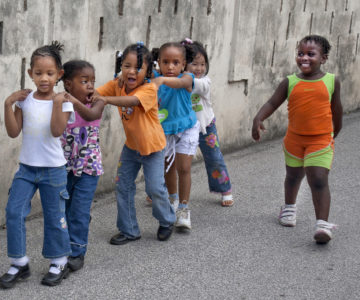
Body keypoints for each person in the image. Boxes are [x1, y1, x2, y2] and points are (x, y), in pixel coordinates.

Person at [252, 35, 342, 244]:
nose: (304, 58)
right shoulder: (290, 82)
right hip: (294, 140)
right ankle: (289, 208)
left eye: (311, 54)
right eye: (300, 53)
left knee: (318, 179)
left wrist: (335, 130)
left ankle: (322, 224)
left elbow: (337, 109)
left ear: (323, 58)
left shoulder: (331, 81)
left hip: (320, 140)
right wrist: (258, 118)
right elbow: (272, 102)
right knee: (293, 176)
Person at [1, 42, 74, 288]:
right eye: (39, 73)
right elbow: (13, 132)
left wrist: (55, 103)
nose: (44, 78)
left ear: (59, 74)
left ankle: (59, 261)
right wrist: (7, 104)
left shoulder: (63, 102)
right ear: (30, 73)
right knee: (13, 212)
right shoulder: (25, 100)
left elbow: (56, 131)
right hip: (27, 169)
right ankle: (19, 262)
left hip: (53, 170)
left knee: (55, 217)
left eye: (50, 73)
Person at [96, 43, 176, 244]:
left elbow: (131, 102)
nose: (131, 71)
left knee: (155, 188)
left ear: (148, 71)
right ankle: (129, 230)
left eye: (138, 67)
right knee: (122, 186)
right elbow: (97, 94)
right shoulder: (117, 84)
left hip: (154, 148)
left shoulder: (149, 89)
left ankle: (167, 220)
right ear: (121, 66)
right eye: (127, 65)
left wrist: (105, 100)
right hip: (131, 147)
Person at [60, 60, 105, 272]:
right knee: (67, 209)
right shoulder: (60, 105)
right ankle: (70, 237)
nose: (90, 86)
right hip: (64, 167)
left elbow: (90, 116)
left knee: (77, 211)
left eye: (92, 81)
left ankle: (77, 252)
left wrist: (72, 101)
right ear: (68, 84)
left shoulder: (97, 102)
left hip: (89, 167)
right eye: (84, 81)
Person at [151, 42, 200, 230]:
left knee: (184, 167)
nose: (170, 67)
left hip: (187, 127)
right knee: (167, 167)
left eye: (175, 62)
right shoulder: (154, 77)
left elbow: (181, 83)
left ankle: (184, 208)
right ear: (158, 63)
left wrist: (161, 81)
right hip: (165, 130)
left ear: (183, 64)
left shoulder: (187, 77)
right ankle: (172, 200)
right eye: (165, 62)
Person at [183, 39, 234, 207]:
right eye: (194, 64)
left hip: (205, 127)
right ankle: (158, 193)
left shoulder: (204, 82)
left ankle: (225, 189)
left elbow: (191, 84)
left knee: (214, 158)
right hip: (182, 128)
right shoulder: (176, 79)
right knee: (169, 160)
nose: (199, 68)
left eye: (202, 64)